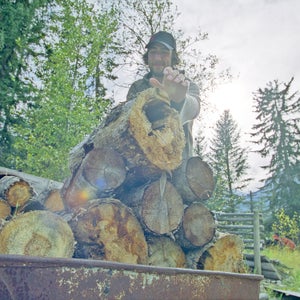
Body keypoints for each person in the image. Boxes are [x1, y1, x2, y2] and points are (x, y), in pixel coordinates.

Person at [126, 31, 200, 158]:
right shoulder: (137, 87)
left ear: (173, 57)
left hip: (180, 169)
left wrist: (179, 100)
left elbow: (194, 108)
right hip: (142, 167)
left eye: (164, 53)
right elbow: (129, 122)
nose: (158, 58)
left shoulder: (186, 85)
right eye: (153, 52)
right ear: (147, 56)